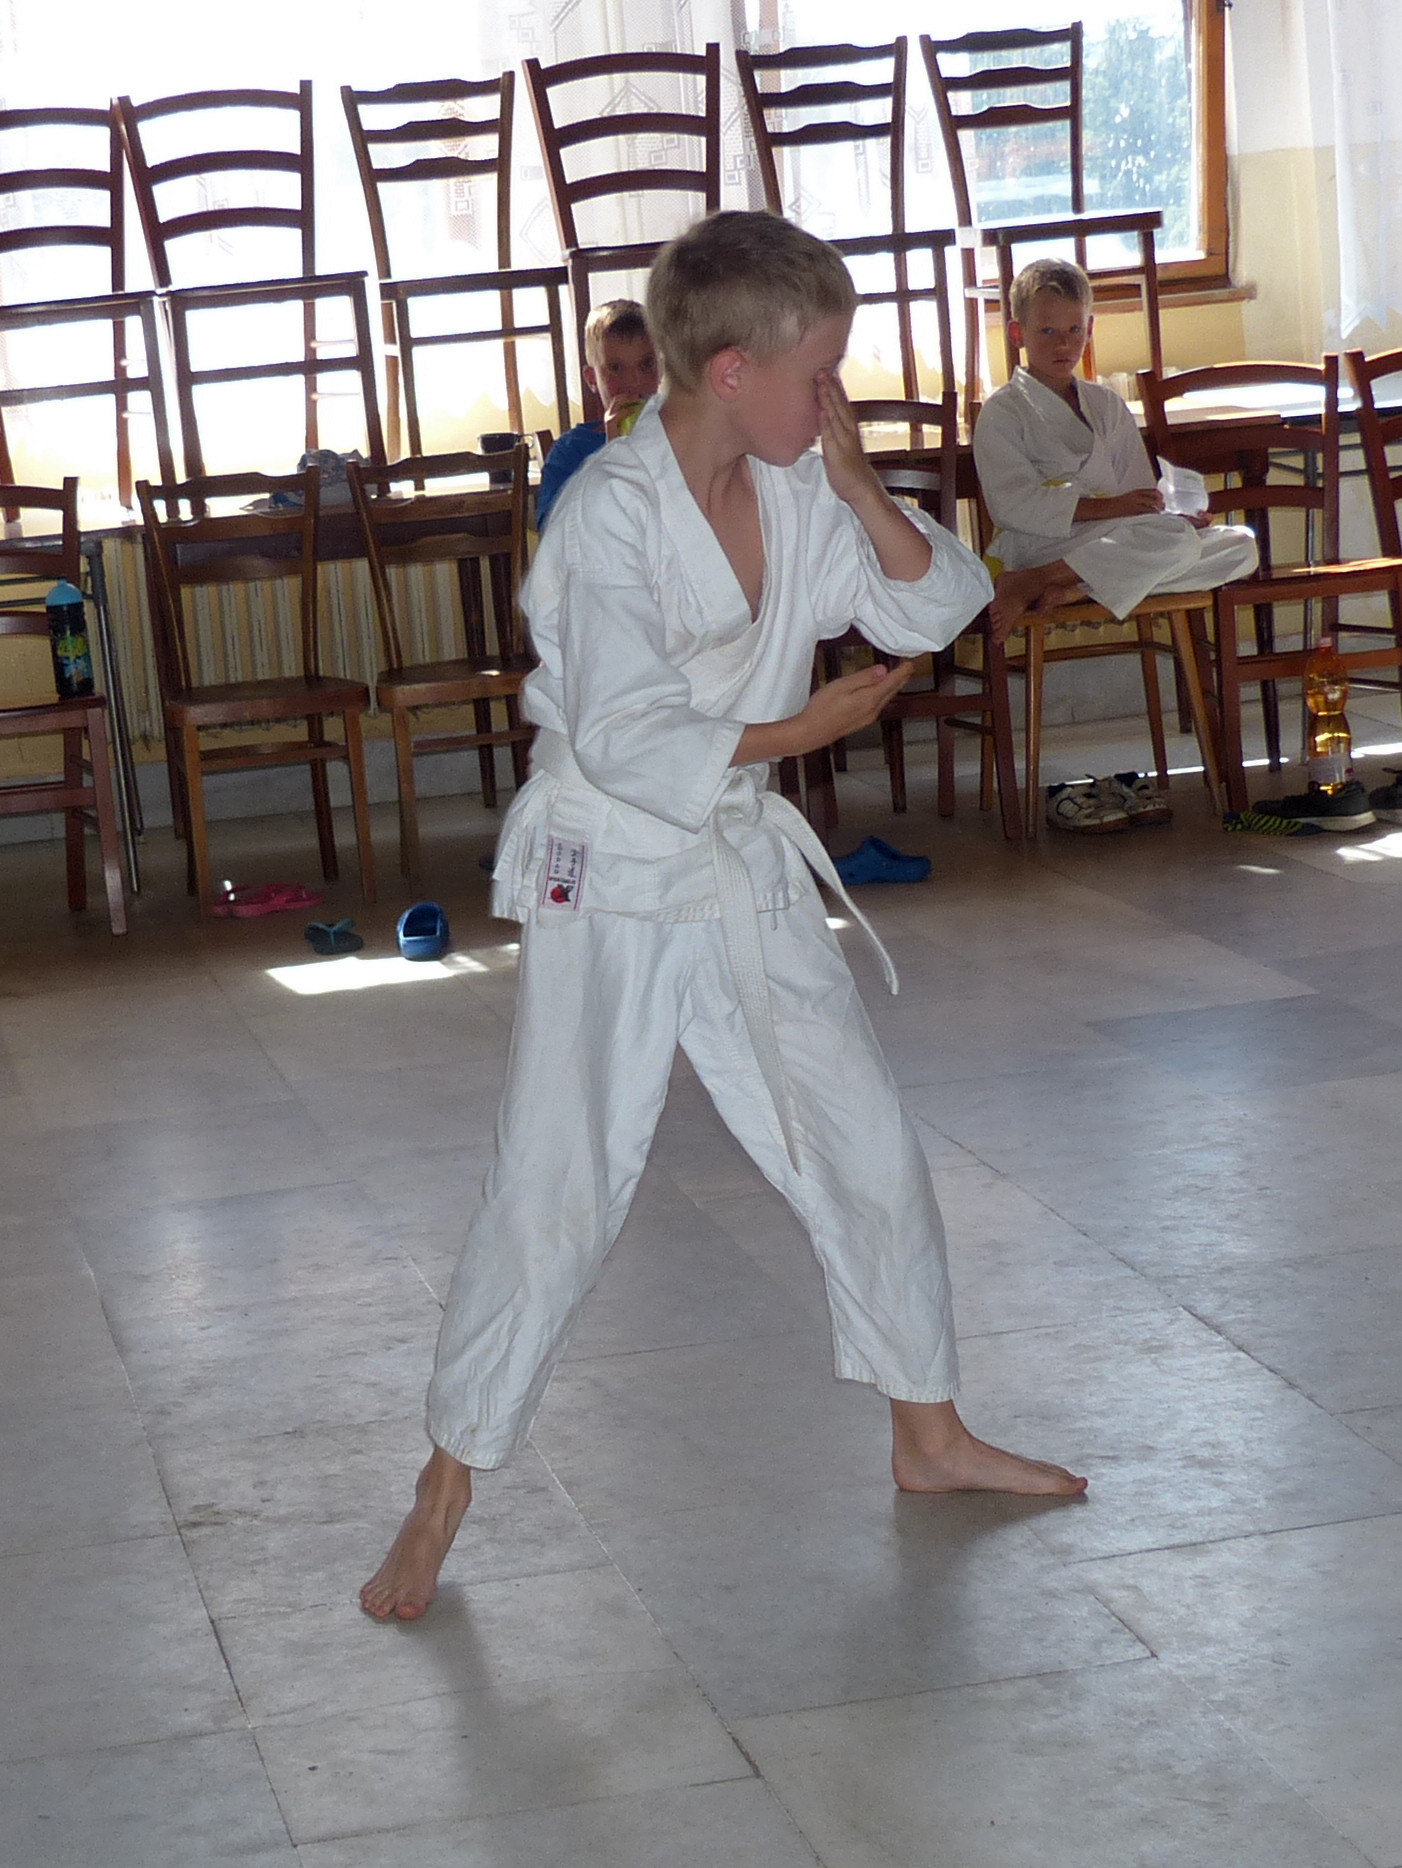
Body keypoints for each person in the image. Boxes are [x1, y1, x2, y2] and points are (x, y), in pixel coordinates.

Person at [362, 211, 1087, 1624]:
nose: (834, 398)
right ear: (735, 371)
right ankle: (441, 1490)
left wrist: (859, 477)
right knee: (561, 1182)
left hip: (738, 862)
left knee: (861, 1140)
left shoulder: (801, 486)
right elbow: (626, 734)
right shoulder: (608, 515)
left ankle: (928, 1433)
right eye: (820, 375)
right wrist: (800, 727)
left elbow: (938, 605)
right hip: (613, 869)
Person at [973, 257, 1258, 830]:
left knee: (1240, 545)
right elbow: (1013, 506)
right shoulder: (1002, 412)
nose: (1063, 344)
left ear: (1090, 328)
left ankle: (1068, 583)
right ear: (1018, 333)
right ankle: (1051, 574)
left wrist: (1179, 515)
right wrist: (1117, 511)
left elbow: (1141, 496)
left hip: (1108, 546)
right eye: (1047, 330)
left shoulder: (1105, 404)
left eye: (1074, 329)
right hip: (1039, 541)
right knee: (1169, 544)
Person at [533, 299, 662, 530]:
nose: (634, 382)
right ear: (592, 379)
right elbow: (555, 534)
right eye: (615, 368)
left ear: (661, 369)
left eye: (646, 364)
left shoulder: (679, 438)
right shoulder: (571, 452)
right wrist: (613, 455)